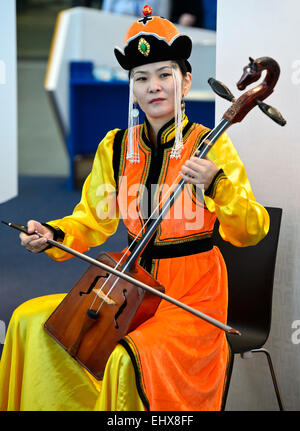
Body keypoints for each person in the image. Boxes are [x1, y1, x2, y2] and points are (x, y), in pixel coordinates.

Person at [0, 6, 270, 411]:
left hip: (191, 297)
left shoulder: (212, 145)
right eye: (141, 78)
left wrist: (217, 184)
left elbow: (252, 230)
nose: (153, 86)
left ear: (186, 81)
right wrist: (53, 234)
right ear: (132, 87)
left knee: (128, 356)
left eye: (165, 74)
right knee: (28, 322)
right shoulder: (115, 147)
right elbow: (91, 220)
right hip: (125, 288)